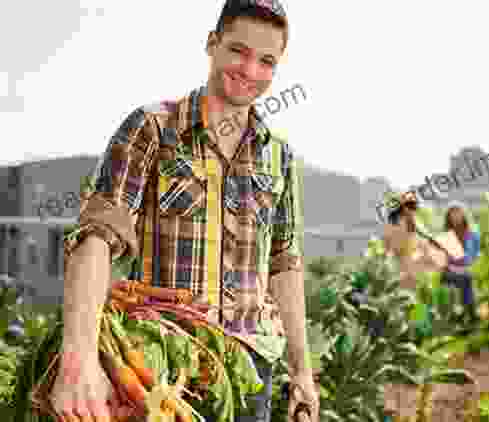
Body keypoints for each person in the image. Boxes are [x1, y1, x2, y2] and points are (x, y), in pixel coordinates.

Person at [38, 1, 318, 421]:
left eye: (266, 61)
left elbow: (285, 265)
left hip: (252, 368)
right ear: (212, 43)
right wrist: (77, 363)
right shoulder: (151, 128)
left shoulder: (279, 156)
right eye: (238, 51)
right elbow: (95, 239)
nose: (250, 71)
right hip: (163, 363)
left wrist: (302, 372)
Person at [441, 203, 481, 326]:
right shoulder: (446, 235)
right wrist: (453, 268)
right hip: (450, 272)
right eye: (452, 214)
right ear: (448, 217)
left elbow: (474, 256)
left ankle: (466, 315)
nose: (456, 216)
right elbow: (444, 259)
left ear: (464, 215)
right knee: (460, 279)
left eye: (458, 213)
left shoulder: (472, 235)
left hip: (467, 270)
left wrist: (467, 267)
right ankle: (467, 314)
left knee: (466, 278)